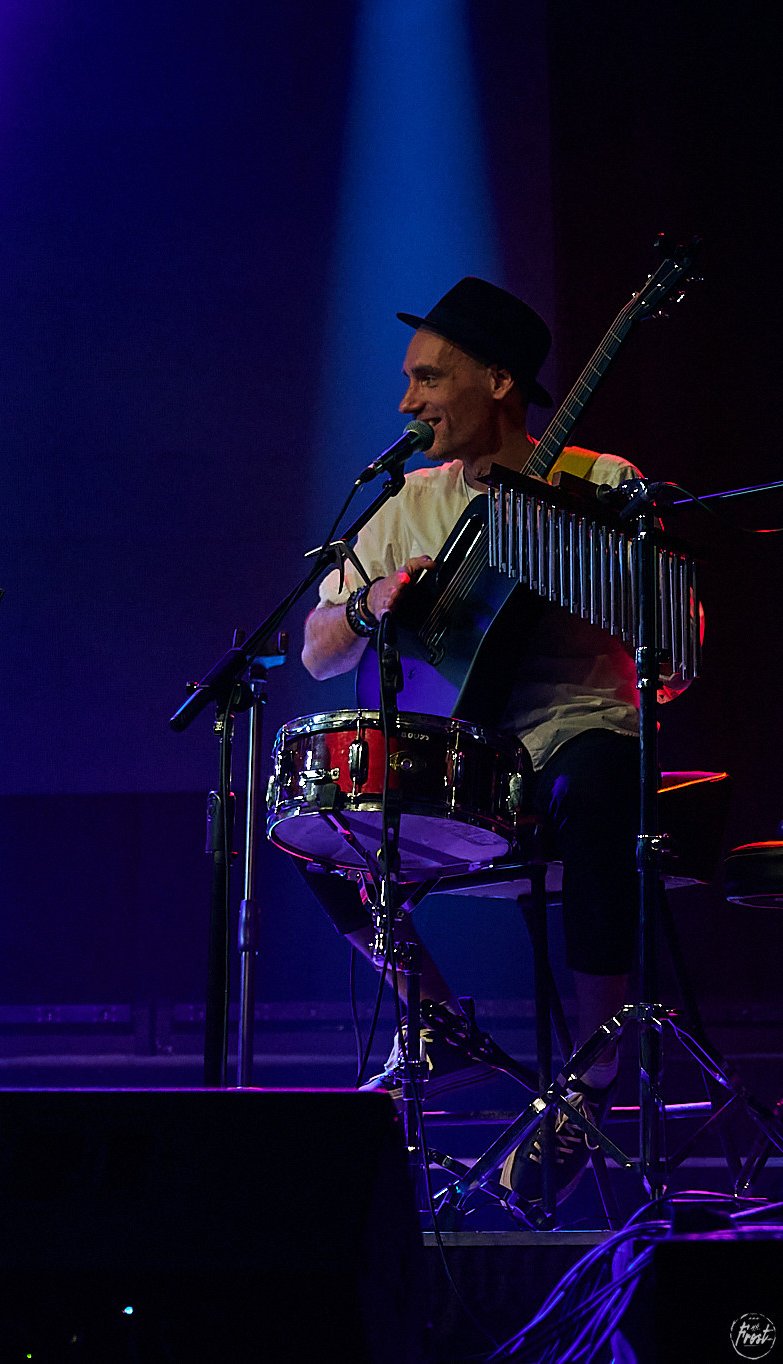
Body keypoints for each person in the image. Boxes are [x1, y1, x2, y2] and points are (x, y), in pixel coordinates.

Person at [298, 276, 676, 1207]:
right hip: (469, 768)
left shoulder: (601, 481)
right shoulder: (408, 504)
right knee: (314, 814)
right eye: (408, 380)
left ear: (499, 382)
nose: (407, 401)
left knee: (596, 785)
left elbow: (677, 631)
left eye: (429, 378)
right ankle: (434, 1018)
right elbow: (311, 651)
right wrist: (368, 602)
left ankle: (599, 1069)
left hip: (578, 745)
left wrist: (578, 555)